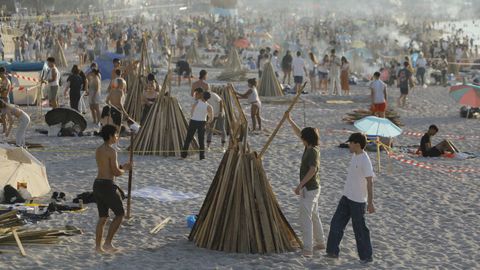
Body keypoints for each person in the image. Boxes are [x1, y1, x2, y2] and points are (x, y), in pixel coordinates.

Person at [326, 133, 375, 264]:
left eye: (351, 143)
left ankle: (366, 256)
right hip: (346, 197)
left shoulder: (365, 160)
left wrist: (370, 203)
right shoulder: (355, 155)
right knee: (336, 224)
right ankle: (332, 252)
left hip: (358, 201)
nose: (349, 145)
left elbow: (370, 182)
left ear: (357, 144)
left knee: (360, 230)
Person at [285, 112, 325, 257]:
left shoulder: (312, 151)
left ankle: (308, 249)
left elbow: (313, 170)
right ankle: (320, 242)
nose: (301, 139)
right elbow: (299, 133)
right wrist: (290, 120)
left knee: (305, 217)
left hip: (310, 188)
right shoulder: (310, 147)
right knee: (314, 215)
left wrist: (300, 185)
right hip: (314, 188)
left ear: (306, 140)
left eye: (303, 138)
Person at [93, 125, 132, 253]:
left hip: (98, 184)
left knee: (103, 217)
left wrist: (121, 166)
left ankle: (98, 247)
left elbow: (107, 168)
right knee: (120, 214)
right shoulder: (111, 151)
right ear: (110, 136)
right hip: (107, 185)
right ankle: (108, 243)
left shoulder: (99, 150)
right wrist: (125, 169)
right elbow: (115, 172)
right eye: (116, 135)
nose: (117, 137)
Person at [181, 88, 213, 160]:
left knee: (188, 138)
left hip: (194, 121)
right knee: (201, 140)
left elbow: (192, 111)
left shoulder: (197, 102)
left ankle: (183, 155)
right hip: (202, 122)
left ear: (202, 96)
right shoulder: (209, 106)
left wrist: (193, 116)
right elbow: (211, 117)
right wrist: (207, 122)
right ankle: (202, 156)